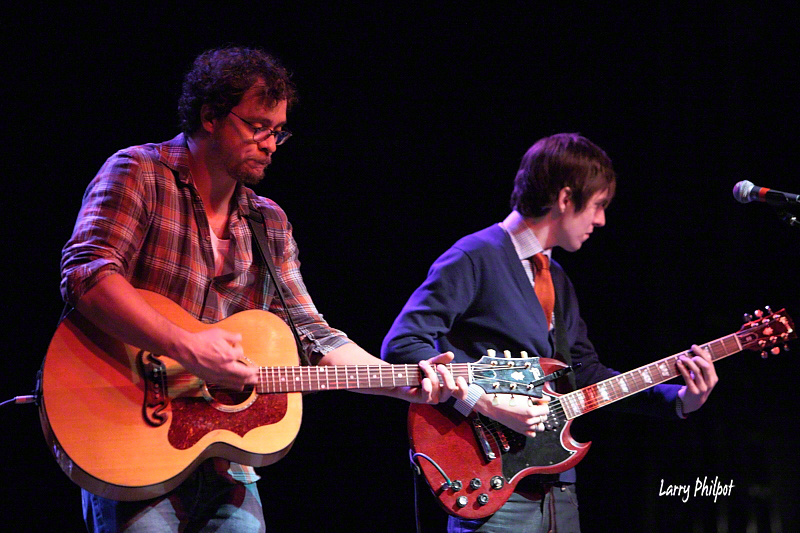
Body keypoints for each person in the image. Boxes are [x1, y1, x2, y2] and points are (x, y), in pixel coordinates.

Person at [60, 46, 456, 533]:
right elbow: (87, 273)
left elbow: (313, 336)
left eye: (278, 131)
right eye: (257, 127)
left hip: (225, 451)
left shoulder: (268, 222)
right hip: (128, 429)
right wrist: (186, 346)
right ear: (210, 116)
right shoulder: (139, 172)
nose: (270, 144)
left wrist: (399, 381)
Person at [381, 133, 718, 533]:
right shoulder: (474, 256)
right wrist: (481, 400)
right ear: (565, 198)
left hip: (558, 487)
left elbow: (586, 375)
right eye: (598, 205)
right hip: (490, 486)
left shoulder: (557, 277)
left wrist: (677, 398)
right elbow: (403, 345)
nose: (601, 220)